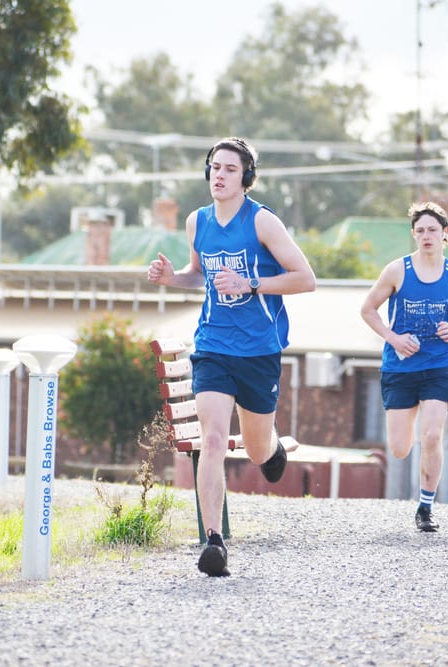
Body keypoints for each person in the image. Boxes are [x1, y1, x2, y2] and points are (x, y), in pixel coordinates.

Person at [147, 137, 316, 576]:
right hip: (213, 347)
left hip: (259, 351)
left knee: (259, 449)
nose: (219, 175)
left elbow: (305, 279)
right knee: (215, 440)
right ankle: (214, 543)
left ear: (246, 178)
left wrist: (252, 284)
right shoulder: (196, 222)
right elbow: (198, 277)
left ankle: (272, 447)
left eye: (229, 169)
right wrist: (172, 278)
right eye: (214, 167)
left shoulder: (262, 223)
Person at [360, 201, 448, 532]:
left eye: (433, 230)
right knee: (399, 448)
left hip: (439, 365)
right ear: (414, 235)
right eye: (420, 230)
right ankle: (410, 454)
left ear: (445, 234)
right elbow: (368, 310)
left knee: (432, 435)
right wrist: (393, 338)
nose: (426, 236)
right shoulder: (397, 271)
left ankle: (425, 507)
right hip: (400, 367)